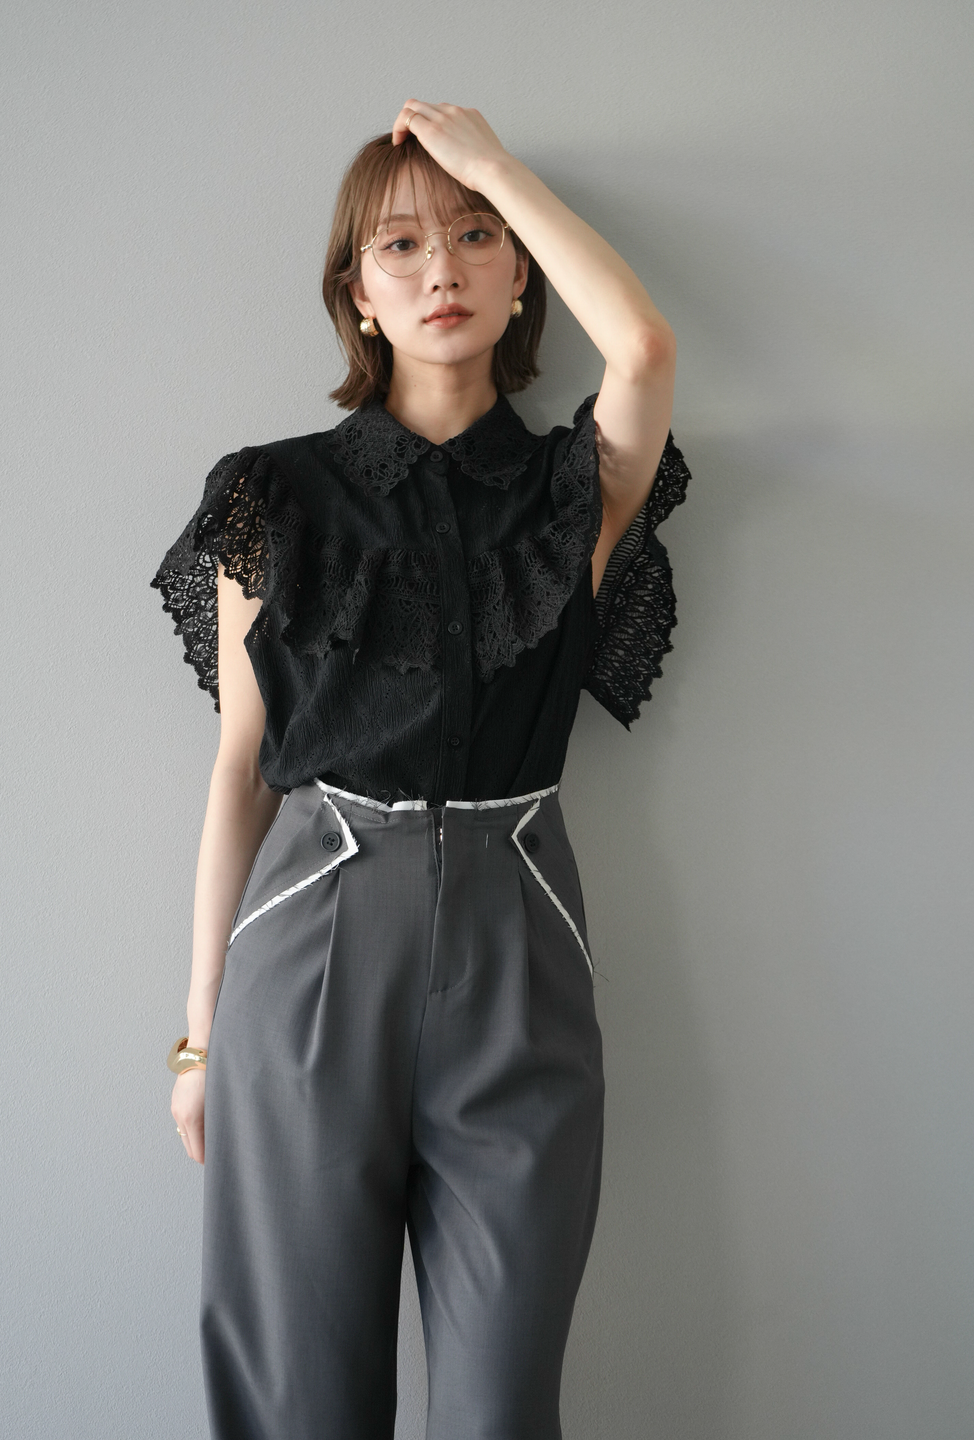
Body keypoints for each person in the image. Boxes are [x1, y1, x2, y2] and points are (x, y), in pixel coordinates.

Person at [151, 99, 690, 1440]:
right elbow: (241, 772)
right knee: (297, 1400)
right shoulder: (272, 496)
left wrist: (492, 163)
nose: (442, 267)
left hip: (520, 937)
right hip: (315, 932)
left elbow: (642, 345)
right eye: (400, 246)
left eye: (475, 236)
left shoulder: (575, 487)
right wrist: (200, 1038)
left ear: (522, 278)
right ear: (359, 294)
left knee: (503, 1406)